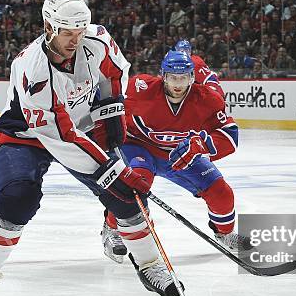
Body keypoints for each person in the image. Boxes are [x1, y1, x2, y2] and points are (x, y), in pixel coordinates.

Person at [0, 0, 184, 296]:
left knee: (126, 199)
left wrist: (110, 112)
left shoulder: (96, 40)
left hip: (77, 129)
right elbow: (61, 136)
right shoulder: (32, 69)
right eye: (68, 32)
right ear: (48, 27)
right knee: (18, 198)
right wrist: (115, 172)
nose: (76, 39)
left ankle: (150, 265)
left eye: (80, 31)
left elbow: (113, 72)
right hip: (27, 135)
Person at [100, 51, 249, 264]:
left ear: (191, 77)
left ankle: (224, 233)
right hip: (139, 147)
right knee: (135, 184)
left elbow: (230, 135)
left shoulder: (207, 99)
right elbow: (109, 103)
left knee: (220, 192)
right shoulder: (140, 88)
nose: (178, 84)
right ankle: (111, 229)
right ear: (163, 76)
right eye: (172, 77)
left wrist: (201, 145)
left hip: (181, 154)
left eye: (183, 78)